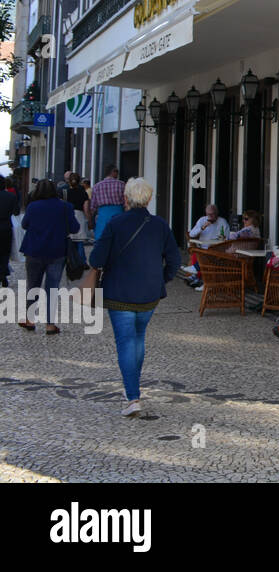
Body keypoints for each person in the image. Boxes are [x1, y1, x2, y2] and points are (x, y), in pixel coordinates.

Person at [88, 177, 182, 417]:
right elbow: (174, 260)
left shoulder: (115, 223)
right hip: (150, 294)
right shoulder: (160, 225)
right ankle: (133, 387)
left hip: (120, 293)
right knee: (138, 338)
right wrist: (162, 278)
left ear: (126, 198)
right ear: (149, 198)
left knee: (126, 342)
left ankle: (133, 396)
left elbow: (96, 260)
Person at [19, 179, 78, 334]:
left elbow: (25, 225)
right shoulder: (65, 207)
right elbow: (74, 227)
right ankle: (50, 325)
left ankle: (30, 320)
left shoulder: (33, 207)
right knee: (52, 288)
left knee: (33, 286)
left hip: (34, 251)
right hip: (57, 252)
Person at [88, 165, 126, 243]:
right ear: (113, 172)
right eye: (116, 172)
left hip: (103, 215)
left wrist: (90, 220)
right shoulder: (121, 184)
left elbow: (93, 206)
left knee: (101, 238)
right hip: (118, 213)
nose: (118, 174)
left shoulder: (97, 186)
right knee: (118, 238)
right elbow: (126, 203)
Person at [0, 175, 18, 288]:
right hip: (6, 227)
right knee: (5, 253)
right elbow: (16, 211)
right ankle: (3, 274)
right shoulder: (11, 196)